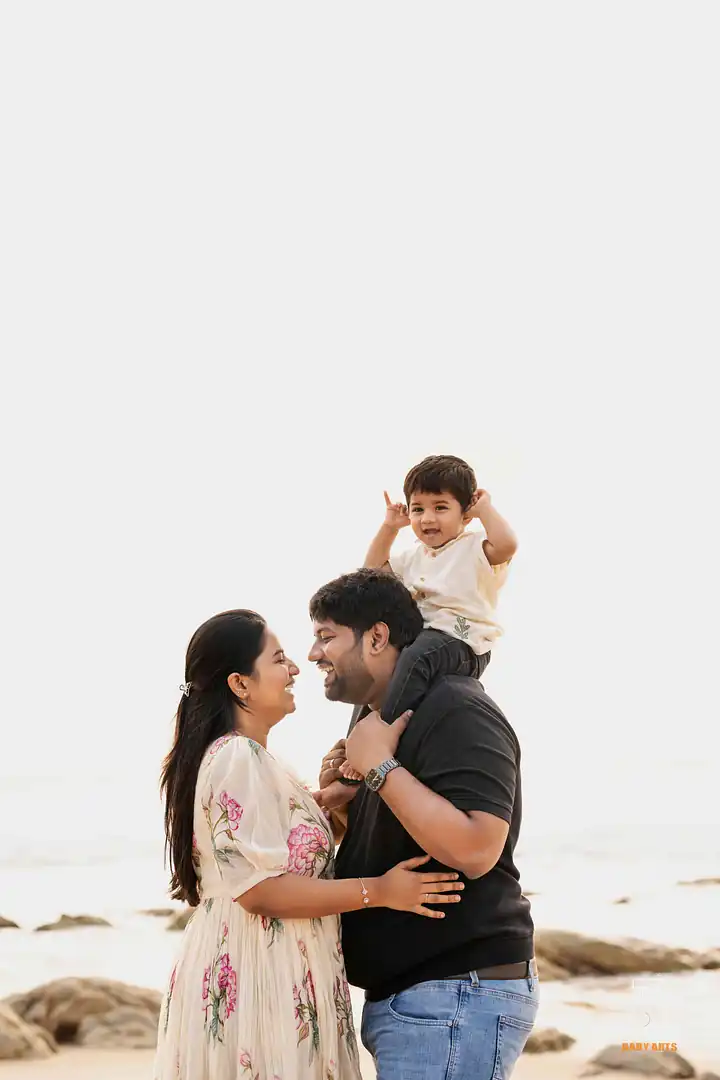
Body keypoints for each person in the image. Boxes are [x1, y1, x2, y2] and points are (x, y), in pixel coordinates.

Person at [155, 609, 463, 1080]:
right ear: (240, 684)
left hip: (271, 962)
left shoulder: (255, 759)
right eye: (279, 659)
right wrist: (379, 891)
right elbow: (261, 890)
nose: (296, 668)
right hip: (260, 972)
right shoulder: (238, 756)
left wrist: (331, 810)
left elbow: (279, 858)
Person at [310, 571, 537, 1080]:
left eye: (326, 636)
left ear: (377, 636)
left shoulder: (455, 707)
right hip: (425, 998)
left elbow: (477, 848)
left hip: (455, 991)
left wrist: (379, 768)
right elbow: (411, 833)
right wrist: (348, 807)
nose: (313, 654)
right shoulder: (381, 720)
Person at [342, 455, 517, 770]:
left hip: (462, 640)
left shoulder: (474, 547)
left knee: (416, 656)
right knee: (374, 665)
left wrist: (485, 509)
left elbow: (507, 544)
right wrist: (389, 528)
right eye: (418, 509)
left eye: (440, 507)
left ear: (465, 513)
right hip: (422, 640)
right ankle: (353, 745)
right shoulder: (413, 557)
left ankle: (381, 737)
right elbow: (372, 573)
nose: (427, 518)